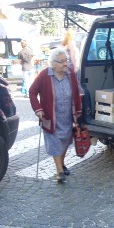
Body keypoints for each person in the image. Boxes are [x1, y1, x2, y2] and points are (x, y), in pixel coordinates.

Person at [29, 47, 82, 183]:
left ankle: (62, 164)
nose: (66, 64)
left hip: (67, 116)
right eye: (62, 61)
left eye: (67, 61)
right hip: (50, 116)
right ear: (53, 63)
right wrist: (38, 109)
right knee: (55, 142)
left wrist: (77, 111)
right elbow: (32, 92)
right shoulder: (44, 75)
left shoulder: (70, 74)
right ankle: (59, 171)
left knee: (65, 141)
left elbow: (76, 93)